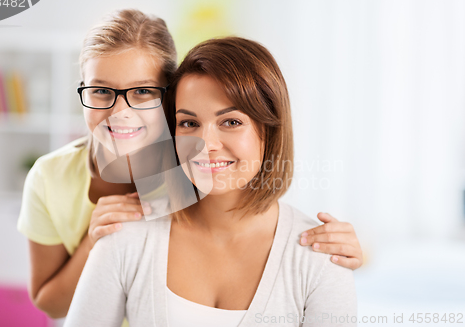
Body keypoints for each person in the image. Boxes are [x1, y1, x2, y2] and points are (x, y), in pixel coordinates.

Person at [64, 37, 358, 327]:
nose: (205, 144)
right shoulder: (127, 235)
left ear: (270, 129)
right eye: (189, 123)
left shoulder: (320, 256)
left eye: (231, 122)